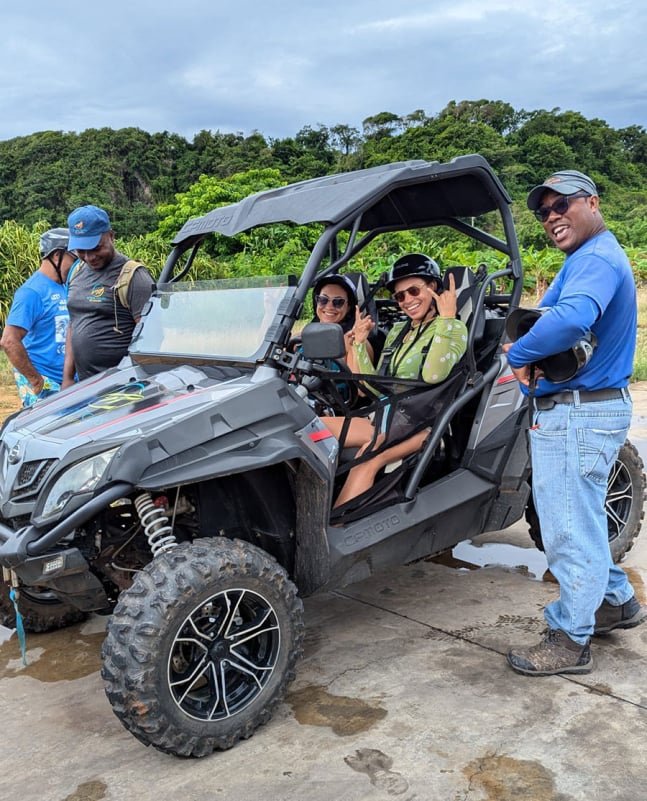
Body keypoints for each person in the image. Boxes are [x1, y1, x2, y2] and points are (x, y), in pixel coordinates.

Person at [503, 169, 646, 677]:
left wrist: (517, 356)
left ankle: (570, 639)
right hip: (590, 406)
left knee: (566, 529)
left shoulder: (594, 260)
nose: (551, 218)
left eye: (561, 206)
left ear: (592, 201)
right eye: (543, 212)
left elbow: (569, 320)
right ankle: (616, 603)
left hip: (578, 412)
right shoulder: (591, 257)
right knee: (582, 517)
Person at [324, 253, 467, 507]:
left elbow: (434, 375)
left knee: (365, 462)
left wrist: (446, 317)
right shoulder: (399, 332)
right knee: (310, 427)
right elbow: (372, 387)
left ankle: (338, 530)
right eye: (400, 296)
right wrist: (358, 342)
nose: (407, 301)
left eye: (413, 291)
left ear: (433, 287)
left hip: (419, 425)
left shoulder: (452, 328)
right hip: (384, 418)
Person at [63, 205, 154, 384]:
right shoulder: (77, 271)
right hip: (85, 385)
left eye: (96, 248)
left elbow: (152, 337)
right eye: (81, 250)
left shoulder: (133, 277)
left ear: (111, 236)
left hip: (124, 387)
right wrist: (67, 378)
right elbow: (74, 324)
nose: (89, 257)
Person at [1, 228, 77, 407]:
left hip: (71, 384)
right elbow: (9, 341)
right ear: (57, 255)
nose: (77, 265)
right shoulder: (31, 292)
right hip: (47, 386)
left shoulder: (69, 286)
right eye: (74, 259)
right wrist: (37, 382)